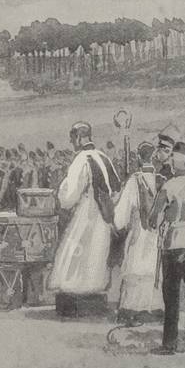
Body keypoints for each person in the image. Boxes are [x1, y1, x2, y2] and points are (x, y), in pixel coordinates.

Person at [49, 122, 121, 314]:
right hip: (104, 216)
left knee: (75, 254)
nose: (71, 142)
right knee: (96, 255)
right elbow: (116, 188)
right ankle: (94, 296)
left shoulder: (81, 159)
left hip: (87, 213)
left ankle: (76, 301)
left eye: (72, 138)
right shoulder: (103, 157)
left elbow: (69, 196)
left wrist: (62, 195)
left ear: (80, 138)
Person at [148, 141, 185, 353]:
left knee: (171, 297)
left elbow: (153, 219)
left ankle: (169, 344)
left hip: (174, 242)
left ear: (178, 161)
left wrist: (160, 218)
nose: (170, 160)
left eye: (172, 157)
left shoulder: (168, 186)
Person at [111, 141, 163, 316]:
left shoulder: (135, 181)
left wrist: (117, 223)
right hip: (156, 235)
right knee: (153, 268)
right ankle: (155, 307)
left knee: (135, 267)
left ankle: (132, 308)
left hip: (138, 232)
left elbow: (121, 215)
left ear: (140, 157)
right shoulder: (160, 180)